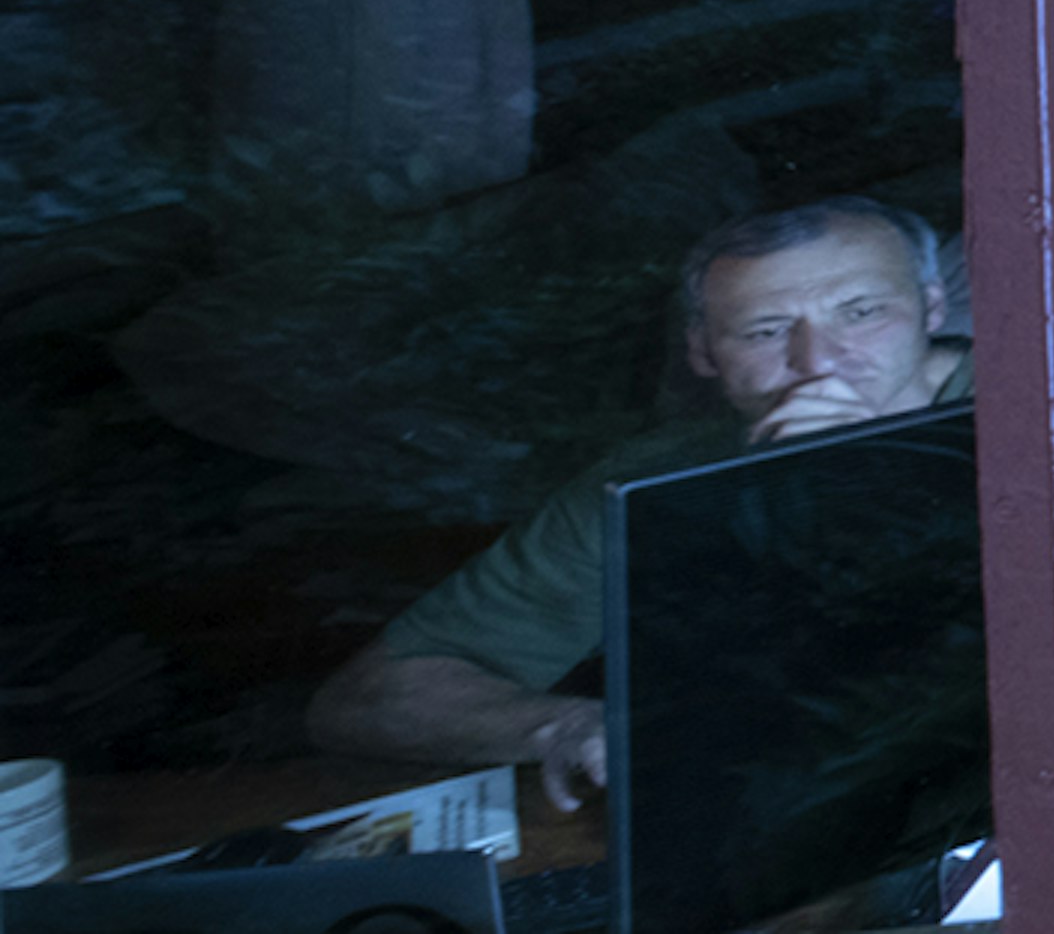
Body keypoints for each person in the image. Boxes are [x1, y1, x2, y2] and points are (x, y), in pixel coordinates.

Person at [307, 196, 972, 809]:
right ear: (703, 353)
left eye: (862, 313)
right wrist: (566, 726)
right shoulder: (654, 484)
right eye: (766, 331)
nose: (819, 361)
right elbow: (369, 697)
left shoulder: (1046, 406)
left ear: (932, 309)